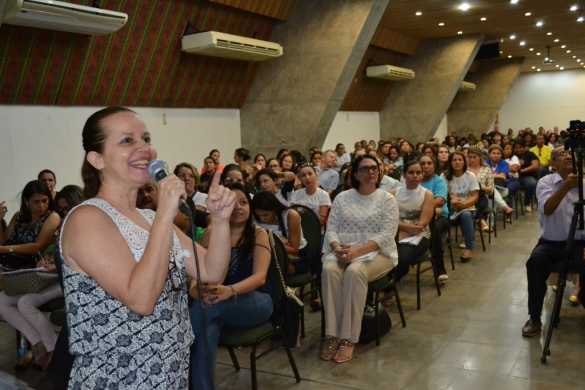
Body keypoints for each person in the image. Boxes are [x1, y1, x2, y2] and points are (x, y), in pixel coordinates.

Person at [59, 106, 235, 389]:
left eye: (147, 139)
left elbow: (211, 271)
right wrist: (166, 212)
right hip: (121, 377)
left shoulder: (150, 217)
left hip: (169, 372)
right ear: (97, 159)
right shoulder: (87, 219)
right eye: (128, 140)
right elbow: (140, 300)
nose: (146, 150)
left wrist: (220, 220)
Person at [189, 183, 272, 390]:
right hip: (218, 302)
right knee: (207, 330)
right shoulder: (211, 233)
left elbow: (260, 277)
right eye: (232, 203)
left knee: (215, 304)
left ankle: (176, 342)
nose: (238, 208)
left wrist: (230, 291)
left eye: (243, 202)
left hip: (256, 301)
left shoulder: (258, 233)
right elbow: (198, 272)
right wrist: (194, 289)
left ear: (250, 207)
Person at [321, 155, 398, 363]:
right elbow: (331, 230)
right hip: (343, 251)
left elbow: (386, 235)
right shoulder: (343, 197)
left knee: (355, 272)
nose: (370, 172)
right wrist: (338, 250)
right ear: (355, 174)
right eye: (364, 169)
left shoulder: (387, 199)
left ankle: (348, 337)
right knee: (329, 270)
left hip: (378, 253)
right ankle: (332, 334)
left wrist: (357, 252)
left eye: (374, 168)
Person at [522, 146, 585, 337]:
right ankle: (534, 318)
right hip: (551, 243)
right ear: (552, 163)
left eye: (571, 153)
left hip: (580, 243)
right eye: (562, 154)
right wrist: (566, 186)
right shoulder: (545, 182)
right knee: (535, 261)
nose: (568, 156)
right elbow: (547, 209)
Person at [0, 180, 61, 369]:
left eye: (45, 201)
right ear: (27, 201)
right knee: (1, 301)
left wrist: (7, 249)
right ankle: (39, 345)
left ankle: (52, 350)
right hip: (23, 275)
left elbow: (39, 246)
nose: (41, 206)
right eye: (36, 202)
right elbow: (4, 241)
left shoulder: (52, 217)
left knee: (24, 302)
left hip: (44, 275)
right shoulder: (19, 216)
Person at [391, 161, 434, 282]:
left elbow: (421, 225)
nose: (415, 175)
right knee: (383, 256)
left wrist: (403, 233)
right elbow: (390, 220)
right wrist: (405, 229)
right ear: (404, 175)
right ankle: (385, 286)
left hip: (420, 236)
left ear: (422, 175)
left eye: (418, 173)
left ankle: (391, 285)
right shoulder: (393, 193)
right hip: (395, 234)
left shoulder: (427, 195)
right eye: (411, 172)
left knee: (402, 257)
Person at [252, 191, 309, 275]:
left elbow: (294, 250)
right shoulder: (255, 218)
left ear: (274, 209)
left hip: (295, 258)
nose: (263, 219)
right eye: (259, 216)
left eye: (265, 215)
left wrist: (274, 243)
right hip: (268, 255)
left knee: (269, 269)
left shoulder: (290, 215)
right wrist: (280, 243)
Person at [442, 152, 479, 262]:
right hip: (449, 207)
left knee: (466, 215)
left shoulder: (470, 176)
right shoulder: (444, 176)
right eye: (454, 160)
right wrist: (452, 197)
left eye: (460, 160)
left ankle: (469, 248)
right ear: (450, 162)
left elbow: (475, 196)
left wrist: (464, 204)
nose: (457, 162)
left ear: (464, 162)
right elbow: (442, 193)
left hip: (466, 206)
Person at [418, 155, 450, 283]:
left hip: (440, 217)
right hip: (417, 217)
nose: (426, 166)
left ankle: (440, 270)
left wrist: (419, 207)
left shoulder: (438, 181)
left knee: (434, 229)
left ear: (434, 166)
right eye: (423, 163)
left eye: (429, 163)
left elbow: (440, 201)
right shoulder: (414, 181)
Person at [290, 164, 331, 229]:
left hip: (316, 232)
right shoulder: (296, 194)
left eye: (310, 174)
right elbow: (291, 218)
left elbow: (320, 222)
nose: (307, 178)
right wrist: (313, 218)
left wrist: (301, 217)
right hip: (299, 231)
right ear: (300, 179)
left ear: (316, 176)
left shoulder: (323, 194)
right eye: (303, 175)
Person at [466, 148, 493, 232]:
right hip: (467, 196)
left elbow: (490, 189)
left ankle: (479, 221)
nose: (472, 159)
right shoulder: (465, 169)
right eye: (470, 157)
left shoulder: (487, 169)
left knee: (471, 206)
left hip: (482, 197)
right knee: (469, 206)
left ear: (480, 157)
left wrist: (480, 186)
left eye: (474, 157)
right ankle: (481, 220)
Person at [485, 145, 515, 220]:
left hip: (502, 189)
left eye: (498, 153)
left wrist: (489, 176)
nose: (496, 155)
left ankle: (489, 222)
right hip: (486, 190)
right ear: (489, 154)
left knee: (492, 196)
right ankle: (490, 223)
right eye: (493, 153)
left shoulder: (504, 163)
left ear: (501, 155)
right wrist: (497, 175)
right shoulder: (485, 163)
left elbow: (502, 177)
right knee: (492, 196)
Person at [514, 139, 539, 213]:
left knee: (531, 184)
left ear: (524, 147)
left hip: (526, 176)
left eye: (520, 148)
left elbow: (535, 166)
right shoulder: (512, 155)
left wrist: (521, 171)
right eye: (516, 148)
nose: (518, 150)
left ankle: (527, 204)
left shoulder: (530, 154)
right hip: (513, 176)